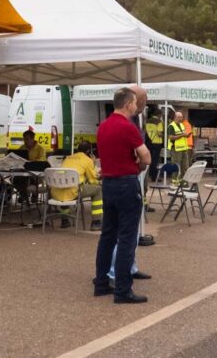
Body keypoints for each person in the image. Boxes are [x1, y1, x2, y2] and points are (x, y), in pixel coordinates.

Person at [93, 87, 151, 303]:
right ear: (128, 104)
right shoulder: (128, 127)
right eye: (135, 103)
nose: (137, 107)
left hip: (108, 184)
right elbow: (146, 157)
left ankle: (101, 282)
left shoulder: (104, 126)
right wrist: (139, 165)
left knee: (107, 235)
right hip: (126, 183)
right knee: (127, 237)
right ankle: (123, 290)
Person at [53, 141, 103, 230]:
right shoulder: (88, 160)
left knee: (66, 186)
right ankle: (96, 222)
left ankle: (65, 220)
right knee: (98, 190)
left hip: (58, 191)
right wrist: (93, 163)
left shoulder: (68, 158)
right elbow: (93, 181)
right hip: (74, 191)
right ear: (89, 151)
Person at [167, 111, 191, 177]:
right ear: (175, 117)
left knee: (185, 166)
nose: (180, 119)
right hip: (175, 149)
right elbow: (171, 137)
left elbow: (183, 135)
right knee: (176, 167)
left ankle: (184, 182)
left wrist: (187, 135)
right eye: (179, 117)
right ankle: (175, 182)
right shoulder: (171, 126)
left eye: (181, 117)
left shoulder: (181, 125)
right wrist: (182, 135)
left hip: (184, 149)